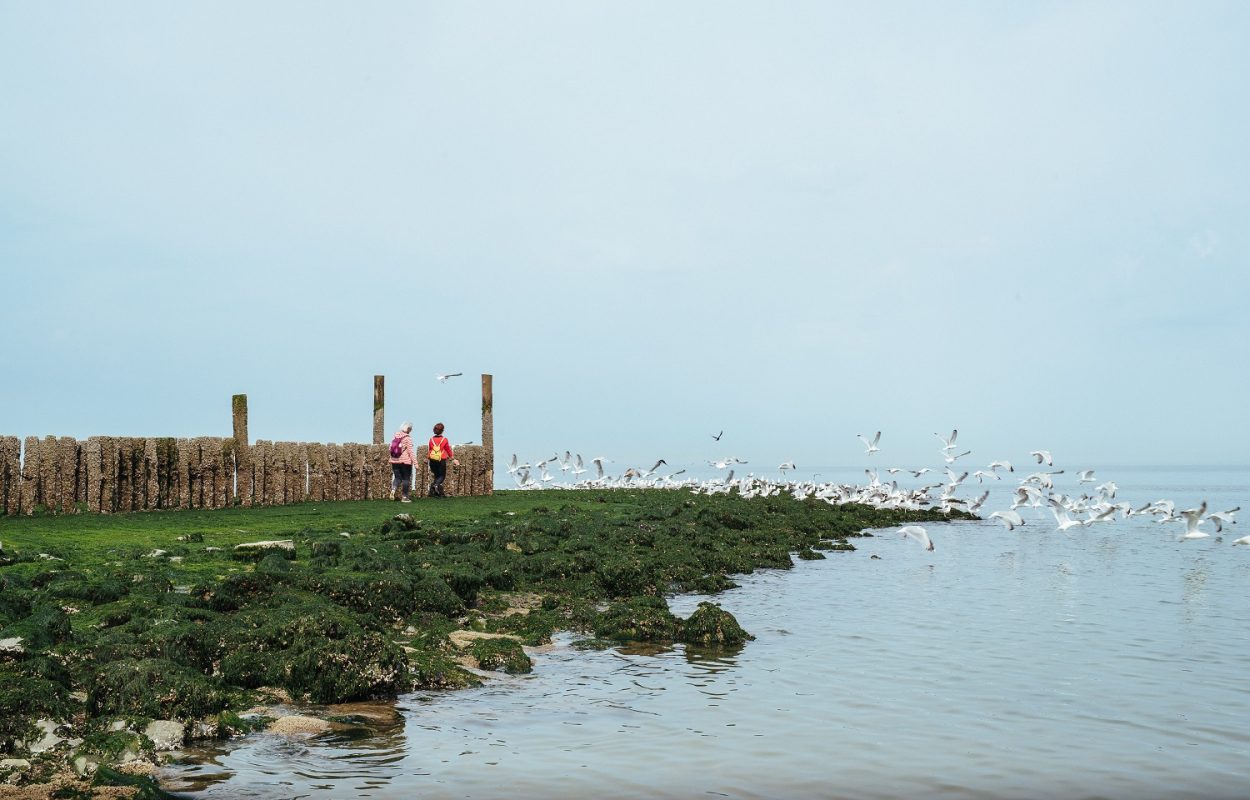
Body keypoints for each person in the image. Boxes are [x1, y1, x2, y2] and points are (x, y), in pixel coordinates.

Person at [427, 422, 459, 498]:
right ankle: (436, 485)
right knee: (442, 476)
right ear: (442, 431)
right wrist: (453, 458)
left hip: (432, 460)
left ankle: (435, 493)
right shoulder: (444, 440)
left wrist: (427, 458)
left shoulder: (431, 439)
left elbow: (430, 450)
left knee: (436, 475)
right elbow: (448, 450)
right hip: (441, 460)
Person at [389, 422, 417, 502]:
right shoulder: (408, 438)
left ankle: (393, 489)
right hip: (405, 462)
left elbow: (390, 449)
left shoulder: (396, 436)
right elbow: (410, 452)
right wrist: (415, 463)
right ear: (408, 429)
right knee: (406, 479)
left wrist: (392, 459)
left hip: (394, 461)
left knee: (397, 477)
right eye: (411, 429)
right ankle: (404, 497)